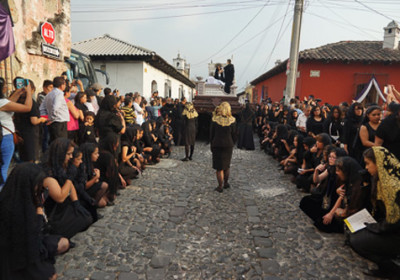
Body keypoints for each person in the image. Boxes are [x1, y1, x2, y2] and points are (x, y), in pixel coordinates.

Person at [0, 163, 70, 280]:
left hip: (32, 244)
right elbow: (29, 241)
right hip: (19, 255)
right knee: (50, 276)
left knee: (64, 243)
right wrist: (38, 214)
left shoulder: (26, 197)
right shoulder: (12, 206)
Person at [349, 147, 400, 279]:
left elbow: (393, 221)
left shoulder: (392, 186)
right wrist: (366, 184)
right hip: (388, 227)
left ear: (378, 163)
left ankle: (392, 268)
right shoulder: (381, 179)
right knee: (351, 231)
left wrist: (372, 227)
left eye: (367, 164)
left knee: (356, 241)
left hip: (394, 231)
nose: (366, 168)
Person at [0, 77, 33, 189]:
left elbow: (9, 102)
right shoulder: (2, 103)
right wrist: (28, 92)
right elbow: (27, 107)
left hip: (3, 136)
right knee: (3, 167)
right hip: (5, 137)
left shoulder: (3, 103)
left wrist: (19, 91)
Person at [14, 80, 47, 162]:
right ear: (32, 90)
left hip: (20, 133)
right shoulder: (32, 104)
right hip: (30, 135)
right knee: (31, 159)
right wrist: (42, 119)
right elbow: (34, 121)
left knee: (23, 157)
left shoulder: (16, 102)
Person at [210, 102, 237, 193]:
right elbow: (234, 134)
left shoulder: (214, 120)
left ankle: (220, 186)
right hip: (228, 145)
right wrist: (232, 143)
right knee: (227, 165)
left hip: (217, 144)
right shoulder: (232, 120)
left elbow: (211, 134)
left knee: (219, 167)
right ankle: (226, 183)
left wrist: (211, 144)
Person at [39, 76, 69, 143]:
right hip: (59, 122)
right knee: (61, 143)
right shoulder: (59, 94)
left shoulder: (49, 94)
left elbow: (41, 109)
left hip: (54, 122)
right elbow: (55, 108)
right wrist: (51, 119)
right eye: (64, 84)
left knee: (54, 142)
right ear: (62, 85)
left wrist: (48, 118)